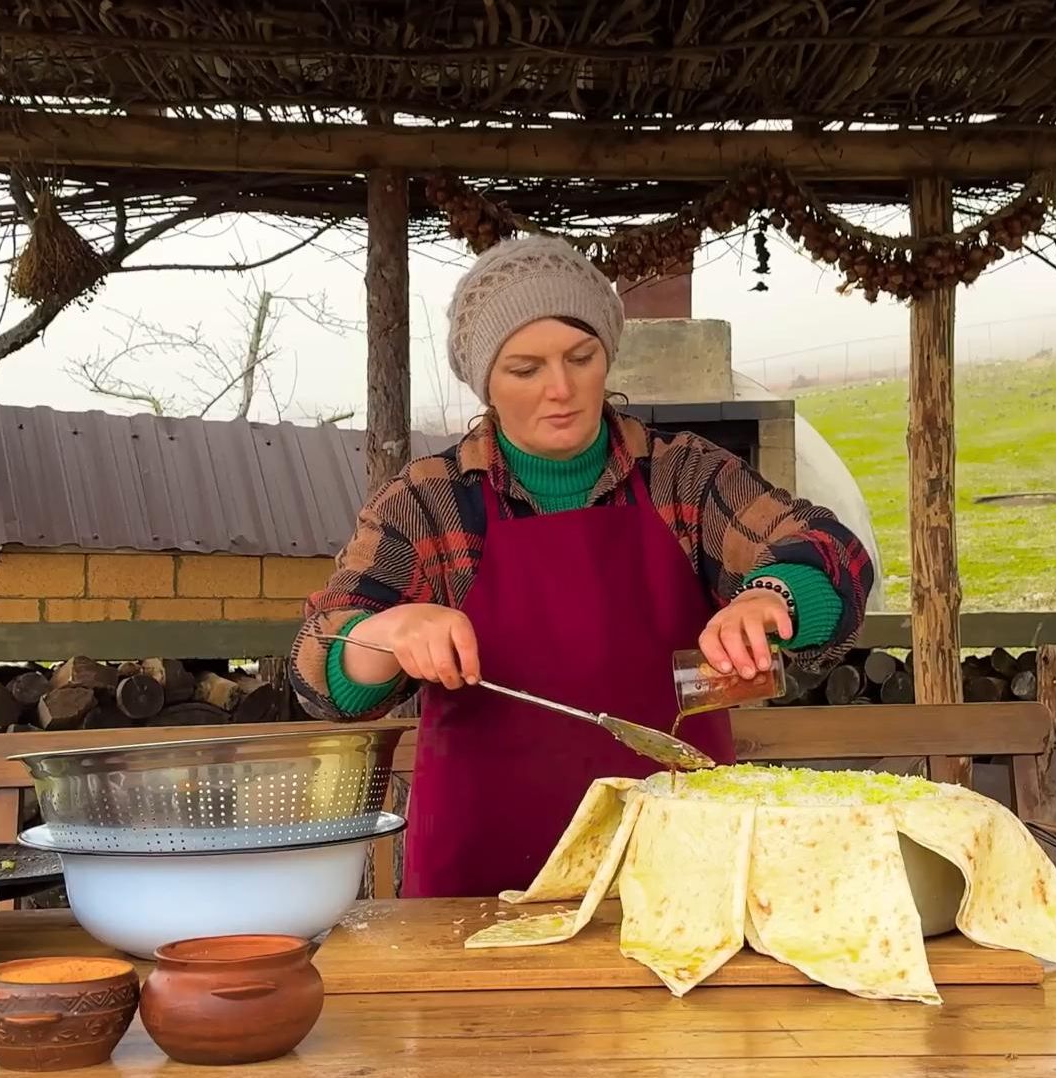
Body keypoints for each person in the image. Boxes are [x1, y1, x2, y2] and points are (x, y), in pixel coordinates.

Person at [289, 235, 875, 898]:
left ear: (607, 355)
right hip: (480, 888)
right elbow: (322, 679)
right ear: (485, 381)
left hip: (678, 871)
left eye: (580, 357)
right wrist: (387, 632)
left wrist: (772, 596)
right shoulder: (428, 503)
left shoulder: (682, 477)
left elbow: (832, 551)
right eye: (525, 369)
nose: (560, 389)